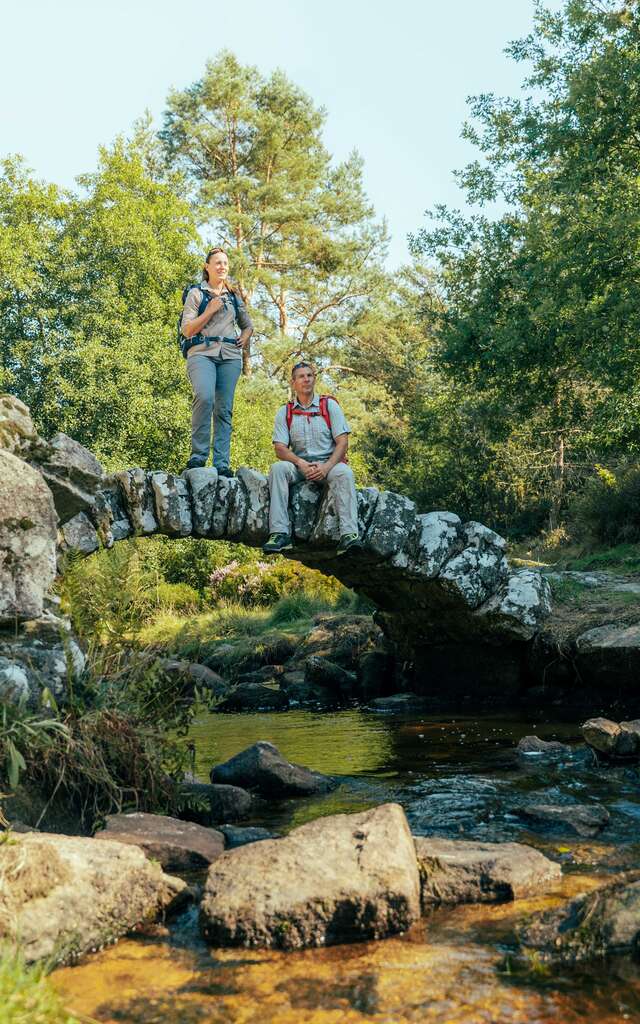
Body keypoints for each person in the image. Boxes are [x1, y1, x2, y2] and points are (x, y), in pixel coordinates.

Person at [263, 361, 363, 556]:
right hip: (300, 466)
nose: (306, 379)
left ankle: (349, 535)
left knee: (344, 473)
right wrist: (300, 463)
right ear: (293, 383)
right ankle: (279, 533)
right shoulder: (285, 412)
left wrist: (326, 468)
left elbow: (342, 442)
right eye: (301, 376)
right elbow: (280, 449)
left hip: (328, 464)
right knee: (278, 468)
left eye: (310, 375)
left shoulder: (329, 405)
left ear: (314, 379)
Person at [181, 247, 253, 474]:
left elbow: (248, 325)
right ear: (207, 267)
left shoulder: (233, 296)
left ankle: (222, 463)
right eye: (217, 263)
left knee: (224, 409)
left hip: (230, 356)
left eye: (225, 263)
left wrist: (244, 337)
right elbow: (187, 329)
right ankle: (198, 456)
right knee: (204, 396)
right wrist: (210, 310)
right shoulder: (196, 293)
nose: (222, 267)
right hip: (202, 352)